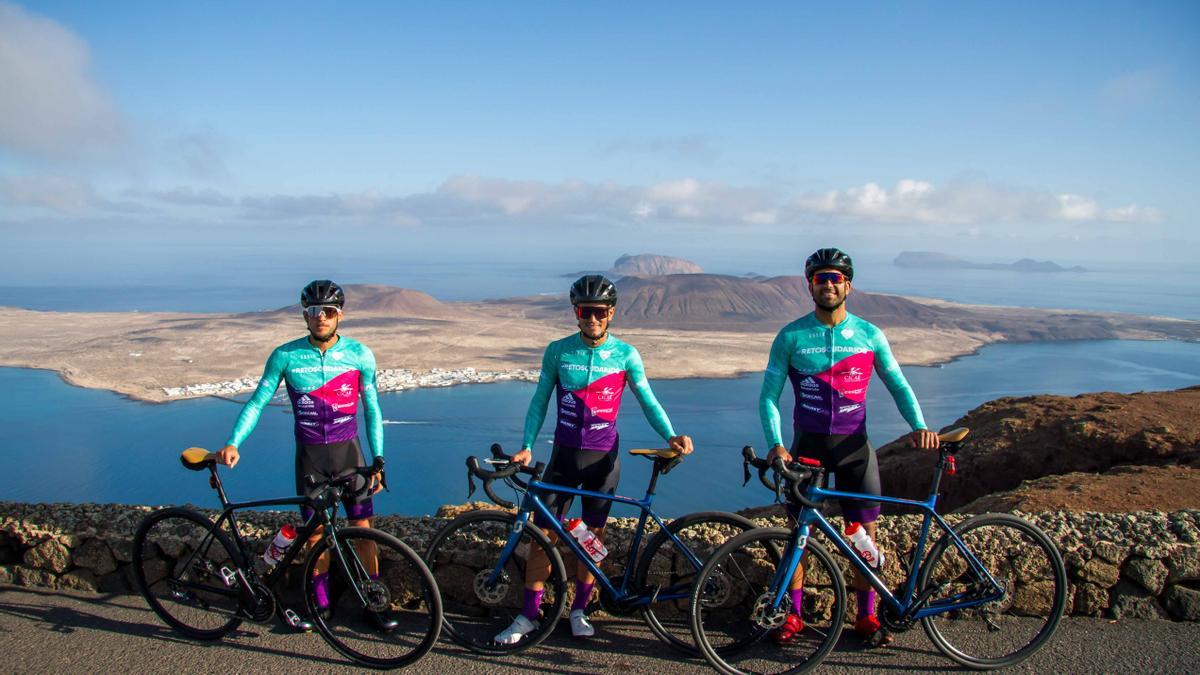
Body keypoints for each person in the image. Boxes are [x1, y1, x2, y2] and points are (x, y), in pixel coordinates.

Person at [497, 274, 694, 644]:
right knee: (542, 537)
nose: (593, 319)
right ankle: (527, 616)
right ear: (576, 312)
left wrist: (670, 434)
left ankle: (579, 611)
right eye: (586, 311)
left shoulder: (625, 354)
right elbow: (540, 401)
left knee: (593, 538)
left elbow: (647, 399)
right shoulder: (558, 350)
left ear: (611, 312)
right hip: (563, 457)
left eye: (600, 312)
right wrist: (526, 445)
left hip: (603, 461)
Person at [759, 248, 939, 644]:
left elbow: (897, 383)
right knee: (798, 538)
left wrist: (919, 425)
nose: (828, 284)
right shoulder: (791, 336)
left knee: (864, 535)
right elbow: (768, 396)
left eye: (835, 278)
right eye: (820, 278)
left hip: (855, 449)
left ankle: (867, 616)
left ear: (848, 285)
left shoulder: (870, 335)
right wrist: (775, 445)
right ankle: (794, 615)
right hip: (806, 450)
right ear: (810, 285)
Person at [215, 279, 393, 632]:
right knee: (314, 535)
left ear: (340, 315)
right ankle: (320, 603)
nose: (320, 317)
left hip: (351, 455)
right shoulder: (286, 356)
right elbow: (257, 401)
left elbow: (372, 408)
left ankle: (372, 602)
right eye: (313, 312)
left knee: (362, 529)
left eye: (328, 312)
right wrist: (234, 442)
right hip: (311, 457)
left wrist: (379, 459)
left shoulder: (360, 354)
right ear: (305, 315)